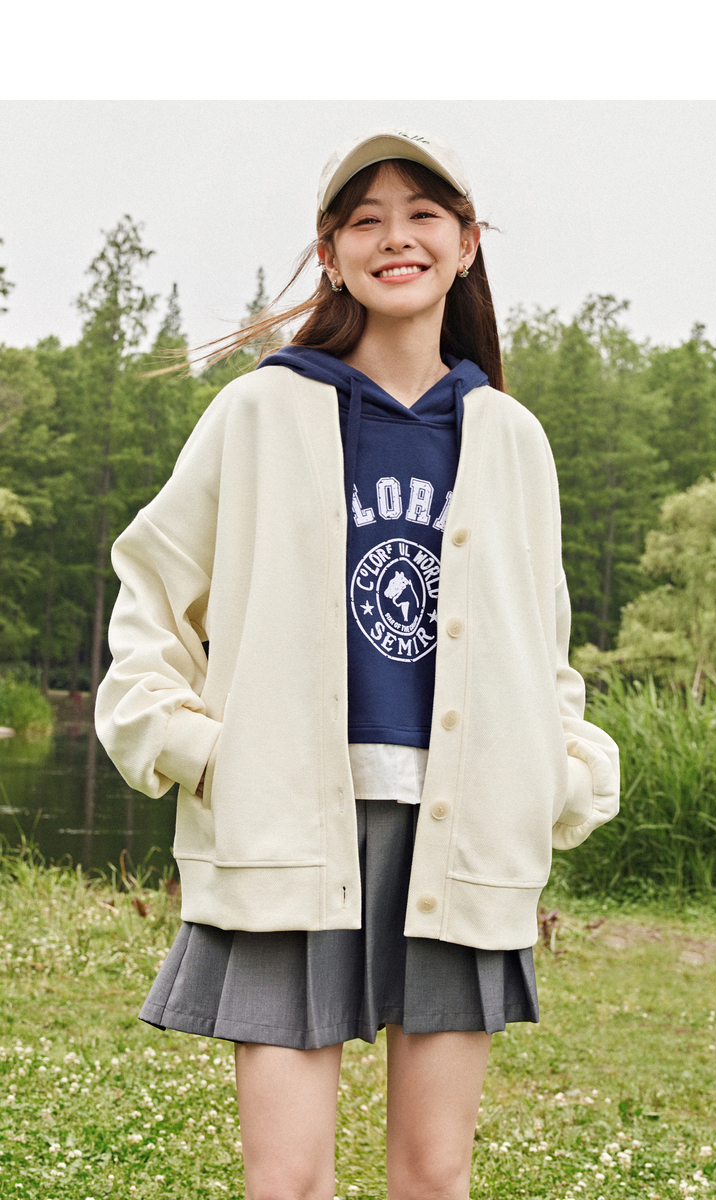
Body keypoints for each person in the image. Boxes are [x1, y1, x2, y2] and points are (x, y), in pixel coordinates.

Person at [95, 128, 620, 1200]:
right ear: (330, 253)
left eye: (423, 216)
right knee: (286, 1179)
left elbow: (544, 642)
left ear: (467, 245)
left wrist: (556, 772)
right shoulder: (259, 410)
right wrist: (194, 747)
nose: (396, 239)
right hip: (286, 824)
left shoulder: (511, 437)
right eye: (366, 220)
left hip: (464, 832)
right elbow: (152, 586)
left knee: (433, 1173)